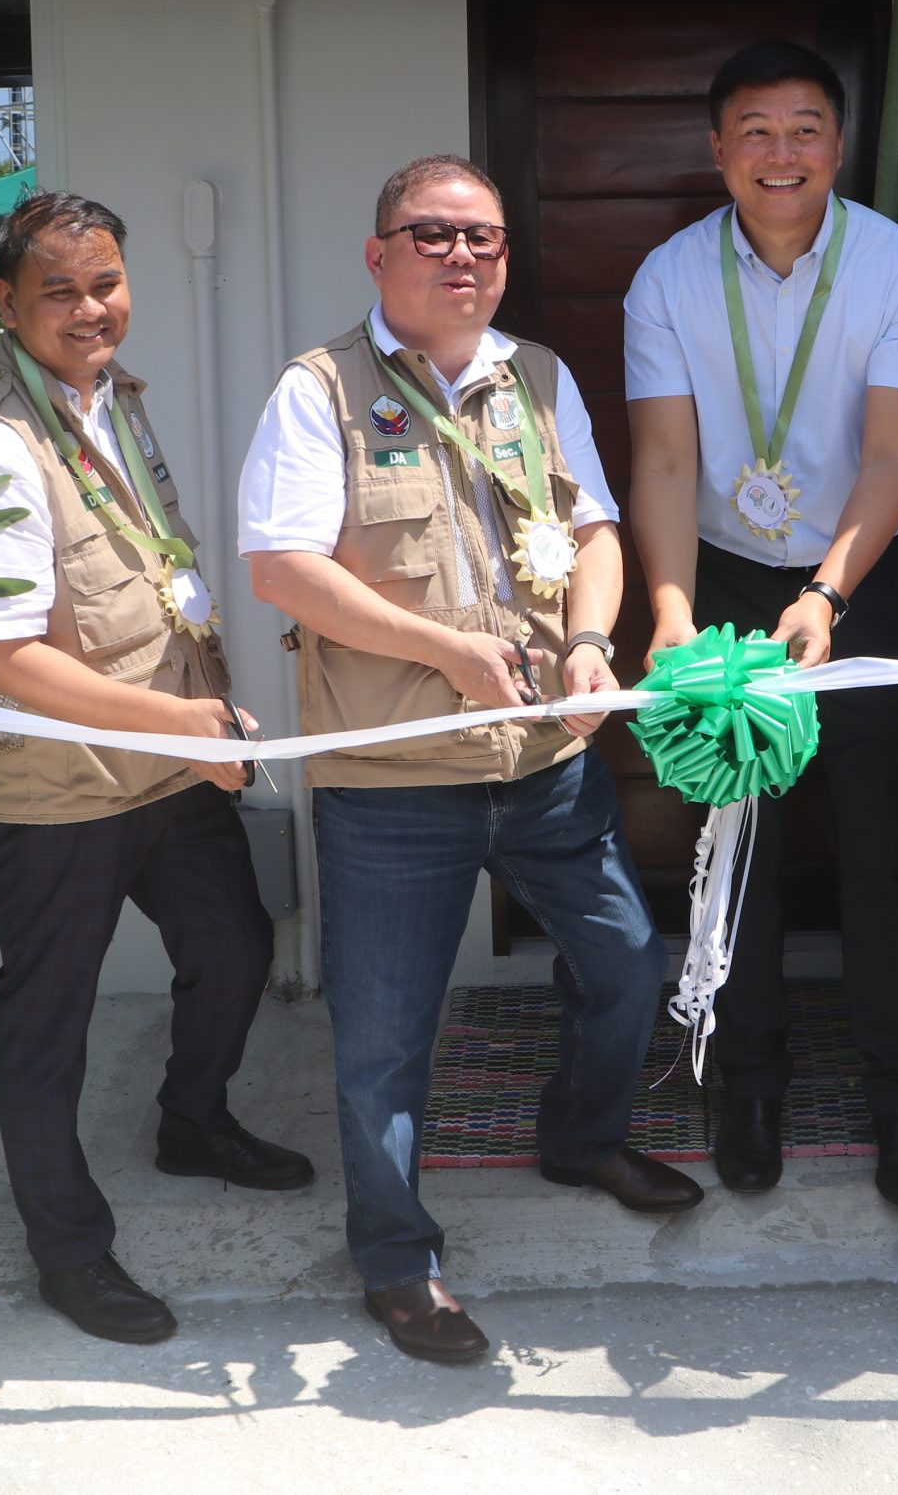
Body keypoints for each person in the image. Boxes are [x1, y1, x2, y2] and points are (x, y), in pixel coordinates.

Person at [243, 155, 700, 1367]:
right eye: (432, 234)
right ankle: (398, 1261)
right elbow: (284, 569)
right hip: (396, 782)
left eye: (483, 239)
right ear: (378, 252)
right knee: (385, 1040)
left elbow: (593, 526)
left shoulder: (534, 378)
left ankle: (580, 1135)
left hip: (549, 758)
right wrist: (441, 650)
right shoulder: (319, 392)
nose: (461, 257)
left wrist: (597, 642)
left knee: (625, 964)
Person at [0, 190, 310, 1345]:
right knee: (49, 1017)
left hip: (163, 756)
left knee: (234, 944)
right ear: (7, 305)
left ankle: (190, 1123)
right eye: (59, 292)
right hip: (57, 786)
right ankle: (69, 1251)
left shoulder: (112, 401)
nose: (91, 309)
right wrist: (177, 729)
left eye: (104, 283)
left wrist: (192, 724)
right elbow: (4, 656)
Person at [624, 40, 898, 1205]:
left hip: (860, 581)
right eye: (754, 131)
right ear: (716, 149)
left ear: (839, 144)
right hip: (718, 580)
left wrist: (826, 596)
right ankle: (744, 1081)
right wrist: (667, 610)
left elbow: (893, 455)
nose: (780, 153)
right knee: (737, 849)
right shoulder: (665, 278)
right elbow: (663, 460)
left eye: (805, 127)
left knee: (880, 851)